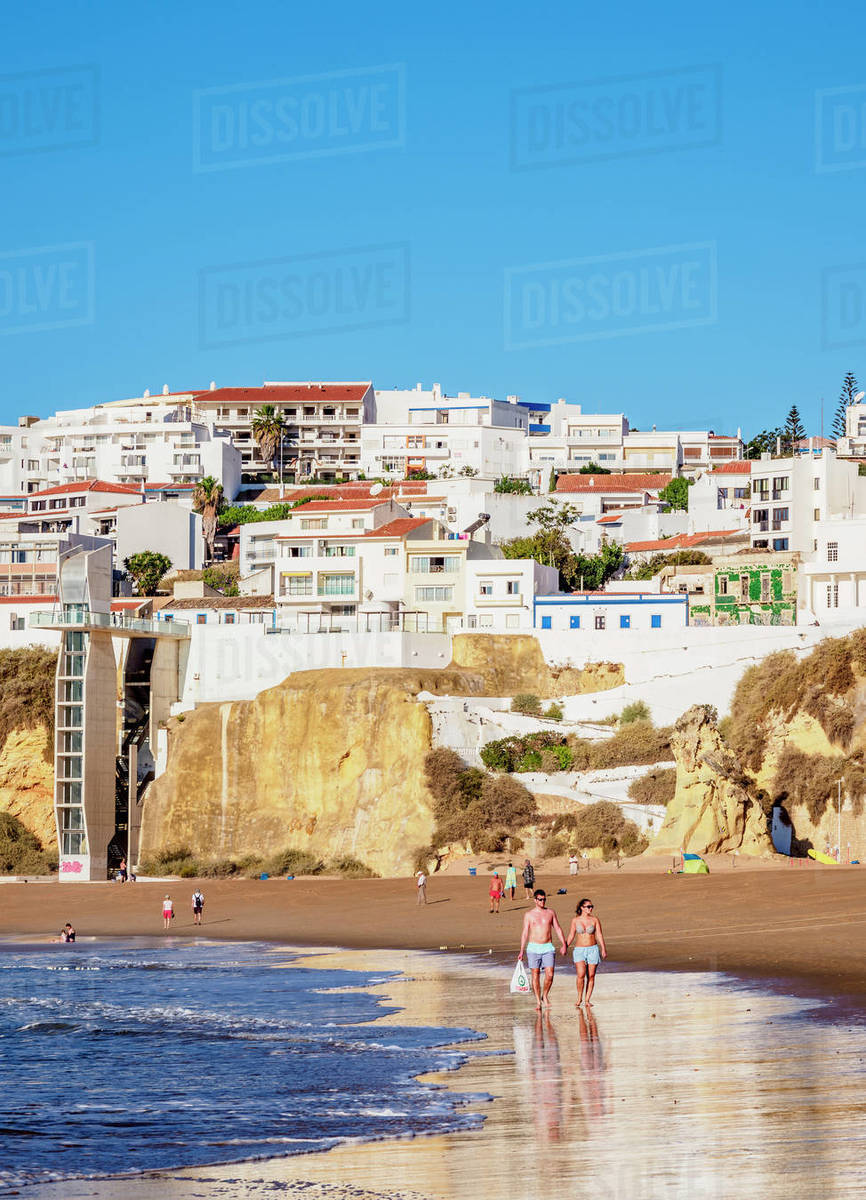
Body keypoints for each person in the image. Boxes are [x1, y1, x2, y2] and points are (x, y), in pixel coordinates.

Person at [518, 889, 566, 1010]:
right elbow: (524, 933)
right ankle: (538, 1001)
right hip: (533, 947)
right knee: (535, 975)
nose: (543, 901)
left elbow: (558, 928)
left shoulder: (550, 912)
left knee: (549, 975)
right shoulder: (529, 915)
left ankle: (545, 995)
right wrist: (521, 950)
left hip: (548, 947)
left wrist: (564, 944)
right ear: (535, 900)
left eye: (544, 899)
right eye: (540, 899)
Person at [565, 897, 607, 1006]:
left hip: (593, 949)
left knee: (591, 975)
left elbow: (599, 935)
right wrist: (565, 946)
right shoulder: (575, 920)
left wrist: (603, 948)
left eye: (591, 906)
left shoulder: (595, 920)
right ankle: (579, 998)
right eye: (588, 907)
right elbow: (571, 935)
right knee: (581, 974)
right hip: (579, 950)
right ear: (582, 908)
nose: (590, 908)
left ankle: (587, 1000)